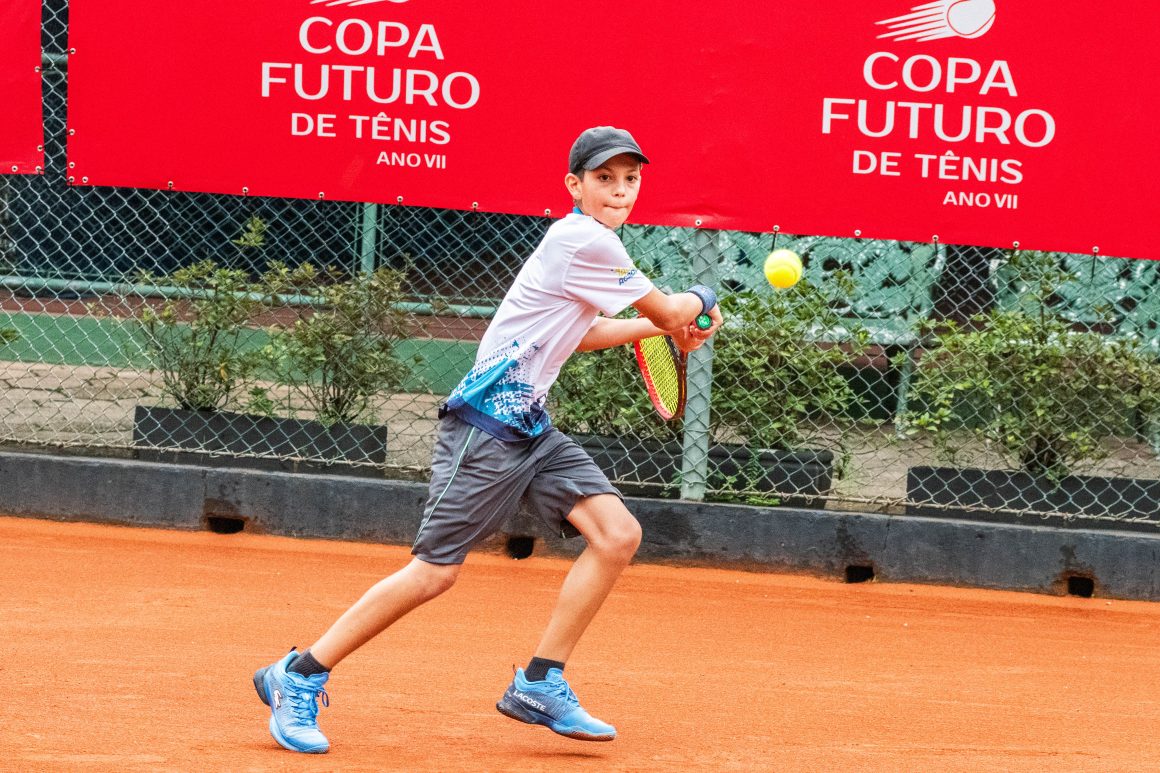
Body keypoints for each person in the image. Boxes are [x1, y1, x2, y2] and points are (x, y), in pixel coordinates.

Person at [252, 125, 723, 753]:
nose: (619, 190)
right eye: (604, 178)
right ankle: (298, 673)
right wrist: (700, 302)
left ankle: (539, 681)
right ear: (574, 186)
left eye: (630, 179)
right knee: (433, 575)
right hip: (484, 430)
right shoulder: (581, 237)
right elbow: (669, 312)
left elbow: (577, 335)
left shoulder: (591, 246)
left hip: (531, 427)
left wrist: (663, 323)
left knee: (617, 535)